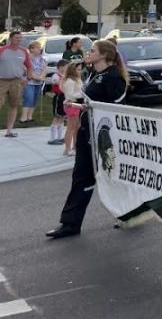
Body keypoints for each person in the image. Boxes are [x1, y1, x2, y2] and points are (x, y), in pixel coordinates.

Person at [45, 40, 128, 238]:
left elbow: (116, 106)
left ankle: (133, 212)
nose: (88, 53)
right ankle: (70, 224)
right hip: (87, 132)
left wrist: (86, 107)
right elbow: (91, 99)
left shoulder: (114, 77)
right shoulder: (93, 74)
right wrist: (77, 102)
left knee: (116, 176)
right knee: (81, 176)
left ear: (104, 55)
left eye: (92, 51)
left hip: (104, 137)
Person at [1, 30, 32, 138]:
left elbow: (29, 66)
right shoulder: (2, 50)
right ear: (11, 38)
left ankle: (9, 130)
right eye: (16, 38)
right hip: (2, 80)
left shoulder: (24, 51)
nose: (19, 40)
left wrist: (28, 77)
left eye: (20, 38)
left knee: (14, 105)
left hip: (17, 81)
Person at [60, 61, 85, 156]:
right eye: (78, 69)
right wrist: (82, 94)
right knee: (71, 128)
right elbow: (69, 95)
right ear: (73, 70)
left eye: (80, 69)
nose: (80, 71)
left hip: (77, 104)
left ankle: (75, 146)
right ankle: (67, 149)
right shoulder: (69, 81)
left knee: (77, 128)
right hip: (71, 105)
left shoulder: (77, 79)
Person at [18, 39, 45, 126]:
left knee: (34, 99)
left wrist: (42, 76)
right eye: (37, 48)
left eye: (40, 48)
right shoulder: (27, 58)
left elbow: (45, 68)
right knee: (28, 98)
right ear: (32, 49)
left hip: (38, 82)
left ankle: (30, 117)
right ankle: (23, 117)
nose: (39, 49)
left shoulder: (41, 59)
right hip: (29, 82)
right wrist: (36, 77)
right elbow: (26, 69)